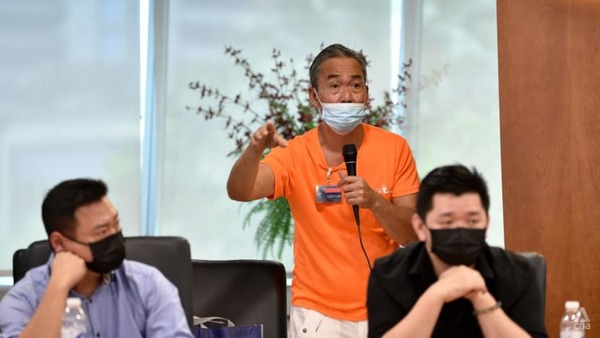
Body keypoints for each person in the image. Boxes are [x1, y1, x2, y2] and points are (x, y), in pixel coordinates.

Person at [227, 43, 420, 337]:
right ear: (314, 97)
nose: (346, 96)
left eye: (355, 85)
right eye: (334, 86)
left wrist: (376, 202)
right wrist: (253, 151)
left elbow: (412, 235)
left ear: (367, 94)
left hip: (387, 308)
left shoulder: (395, 149)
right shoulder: (294, 153)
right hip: (317, 315)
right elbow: (240, 191)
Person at [366, 164, 548, 338]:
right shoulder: (388, 274)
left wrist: (480, 297)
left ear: (486, 223)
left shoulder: (518, 272)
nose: (460, 230)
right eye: (447, 222)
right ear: (420, 227)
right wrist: (436, 295)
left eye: (472, 221)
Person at [0, 178, 193, 338]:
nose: (115, 236)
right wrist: (58, 287)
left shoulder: (148, 285)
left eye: (116, 224)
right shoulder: (24, 298)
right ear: (59, 243)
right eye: (101, 231)